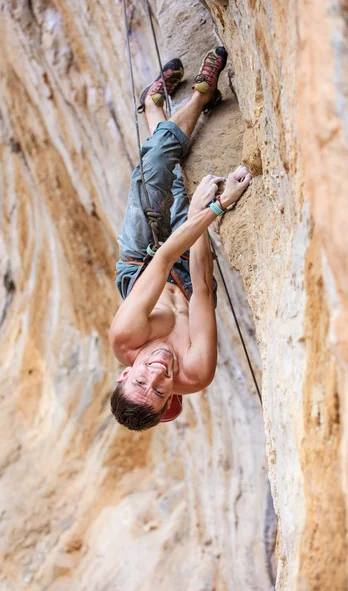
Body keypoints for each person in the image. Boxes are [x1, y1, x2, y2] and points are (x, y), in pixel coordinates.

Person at [109, 48, 252, 431]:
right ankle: (154, 107)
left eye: (142, 381)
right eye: (159, 391)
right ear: (172, 396)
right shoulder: (196, 370)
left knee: (154, 167)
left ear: (125, 374)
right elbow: (203, 289)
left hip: (143, 262)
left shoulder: (126, 337)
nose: (157, 374)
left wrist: (214, 209)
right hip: (189, 278)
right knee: (180, 179)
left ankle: (201, 96)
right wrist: (202, 211)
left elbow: (164, 256)